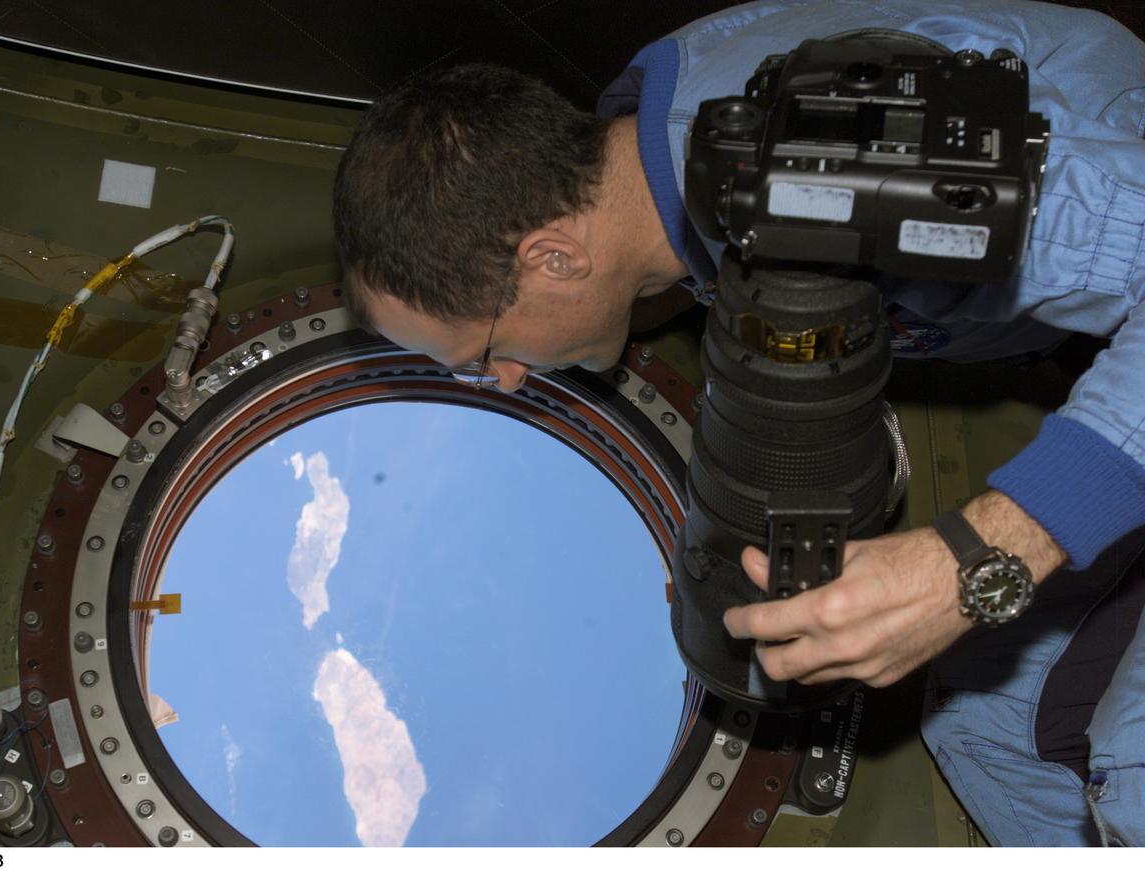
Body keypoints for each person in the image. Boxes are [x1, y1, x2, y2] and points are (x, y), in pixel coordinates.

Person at [332, 0, 1145, 846]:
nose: (501, 380)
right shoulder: (645, 157)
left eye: (484, 350)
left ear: (553, 257)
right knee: (982, 718)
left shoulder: (818, 163)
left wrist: (970, 562)